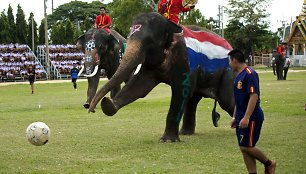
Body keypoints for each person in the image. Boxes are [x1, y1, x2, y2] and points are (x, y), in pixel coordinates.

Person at [228, 49, 276, 174]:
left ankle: (269, 164)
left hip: (252, 118)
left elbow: (254, 96)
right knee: (244, 148)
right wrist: (235, 117)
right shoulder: (238, 75)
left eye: (229, 61)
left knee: (246, 146)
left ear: (234, 60)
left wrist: (246, 117)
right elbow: (239, 99)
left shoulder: (250, 74)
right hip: (240, 117)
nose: (229, 64)